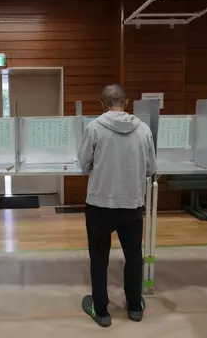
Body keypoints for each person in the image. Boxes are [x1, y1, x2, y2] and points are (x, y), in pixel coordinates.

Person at [77, 84, 157, 328]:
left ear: (102, 104)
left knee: (99, 257)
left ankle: (101, 309)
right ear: (128, 101)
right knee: (134, 256)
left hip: (99, 204)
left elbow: (83, 164)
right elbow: (151, 168)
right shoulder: (143, 130)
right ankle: (134, 306)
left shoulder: (94, 127)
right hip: (132, 204)